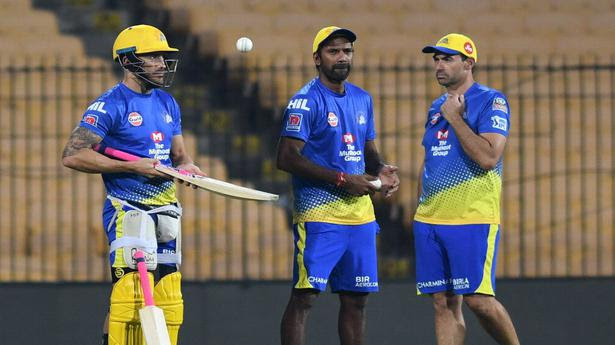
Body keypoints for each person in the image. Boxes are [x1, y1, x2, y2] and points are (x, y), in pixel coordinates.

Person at [61, 24, 203, 345]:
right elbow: (72, 155)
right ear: (127, 62)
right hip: (128, 212)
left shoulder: (168, 103)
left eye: (163, 57)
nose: (161, 64)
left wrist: (187, 167)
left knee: (167, 296)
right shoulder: (110, 104)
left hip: (167, 213)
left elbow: (179, 155)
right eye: (152, 56)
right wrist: (131, 165)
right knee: (131, 296)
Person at [277, 26, 400, 345]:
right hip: (319, 217)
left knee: (356, 300)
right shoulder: (305, 101)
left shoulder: (362, 98)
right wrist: (343, 180)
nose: (342, 57)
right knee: (304, 297)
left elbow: (367, 150)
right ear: (317, 58)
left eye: (347, 51)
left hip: (360, 218)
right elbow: (287, 158)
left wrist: (382, 168)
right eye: (334, 51)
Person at [413, 33, 520, 345]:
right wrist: (420, 208)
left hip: (471, 218)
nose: (438, 65)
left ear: (469, 62)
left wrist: (455, 120)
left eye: (447, 58)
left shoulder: (491, 100)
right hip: (431, 220)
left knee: (478, 300)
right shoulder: (436, 106)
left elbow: (488, 157)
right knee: (443, 302)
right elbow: (430, 158)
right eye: (436, 58)